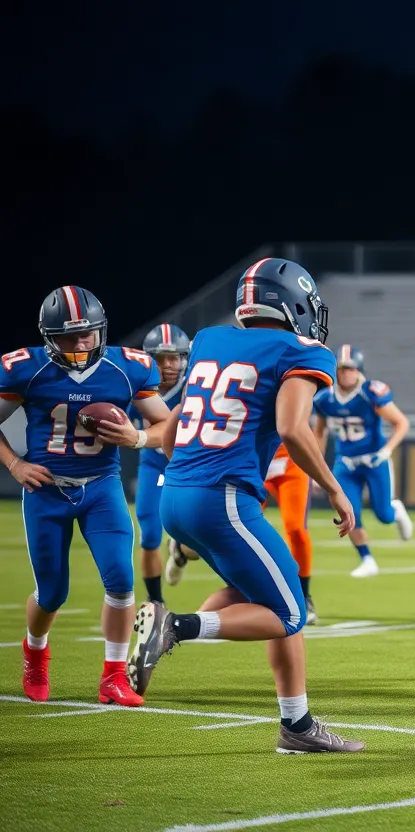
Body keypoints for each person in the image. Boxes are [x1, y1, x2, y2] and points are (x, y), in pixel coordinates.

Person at [127, 257, 363, 753]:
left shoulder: (210, 340)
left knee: (260, 595)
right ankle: (175, 627)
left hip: (177, 494)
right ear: (294, 304)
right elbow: (293, 429)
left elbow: (170, 431)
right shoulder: (301, 350)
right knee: (290, 613)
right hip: (224, 500)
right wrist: (336, 489)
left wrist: (189, 475)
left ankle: (297, 726)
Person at [1, 286, 172, 707]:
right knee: (52, 593)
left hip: (101, 485)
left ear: (102, 329)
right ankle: (35, 653)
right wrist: (15, 464)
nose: (80, 344)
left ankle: (113, 677)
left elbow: (167, 427)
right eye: (68, 337)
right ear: (49, 337)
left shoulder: (127, 368)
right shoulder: (26, 369)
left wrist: (136, 437)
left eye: (87, 334)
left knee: (121, 581)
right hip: (46, 490)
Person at [312, 344, 413, 578]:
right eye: (342, 368)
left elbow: (401, 423)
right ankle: (367, 559)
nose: (346, 373)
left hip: (374, 460)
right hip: (346, 462)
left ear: (359, 370)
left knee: (384, 515)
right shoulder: (325, 398)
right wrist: (316, 468)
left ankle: (396, 511)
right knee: (349, 513)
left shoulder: (370, 393)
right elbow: (319, 433)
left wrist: (387, 450)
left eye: (350, 369)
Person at [129, 323, 192, 603]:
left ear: (184, 359)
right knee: (150, 533)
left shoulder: (194, 386)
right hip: (155, 466)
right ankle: (155, 602)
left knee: (200, 537)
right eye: (160, 358)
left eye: (173, 358)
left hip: (189, 467)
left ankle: (179, 551)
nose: (167, 365)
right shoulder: (135, 387)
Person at [264, 446, 317, 624]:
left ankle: (303, 596)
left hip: (290, 462)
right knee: (237, 528)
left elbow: (301, 433)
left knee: (296, 530)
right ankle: (241, 593)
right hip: (251, 462)